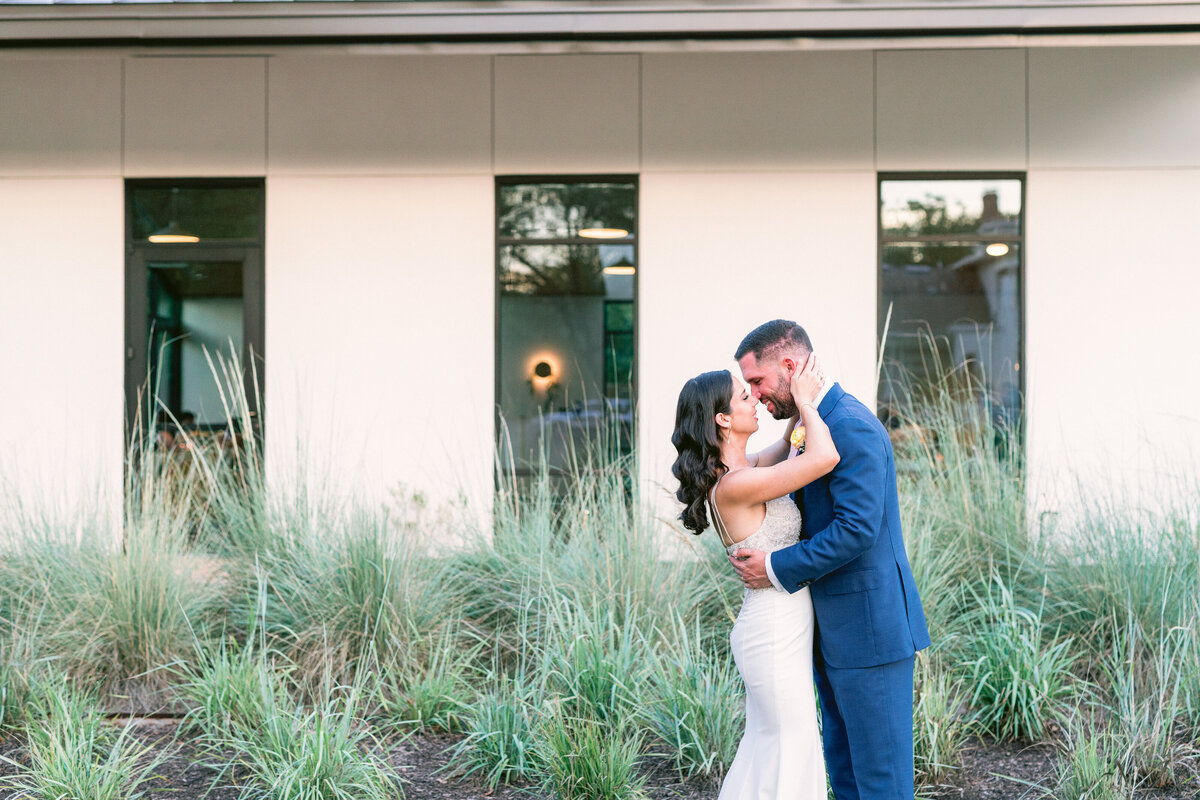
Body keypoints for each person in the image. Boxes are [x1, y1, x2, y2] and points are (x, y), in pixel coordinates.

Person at [729, 319, 931, 800]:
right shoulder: (811, 425)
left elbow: (856, 529)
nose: (755, 396)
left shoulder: (851, 426)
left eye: (757, 382)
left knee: (881, 782)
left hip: (870, 635)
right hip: (831, 633)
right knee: (845, 776)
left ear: (790, 366)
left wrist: (775, 568)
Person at [671, 356, 838, 800]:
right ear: (723, 418)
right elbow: (824, 457)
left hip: (781, 626)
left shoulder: (745, 470)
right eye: (746, 396)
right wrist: (805, 401)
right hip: (772, 632)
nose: (757, 398)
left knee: (774, 749)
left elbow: (788, 446)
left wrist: (797, 396)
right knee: (789, 746)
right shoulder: (734, 485)